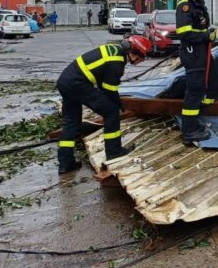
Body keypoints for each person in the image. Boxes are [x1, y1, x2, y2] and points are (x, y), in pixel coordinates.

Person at [56, 35, 151, 174]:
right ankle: (114, 151)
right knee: (111, 112)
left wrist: (113, 100)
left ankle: (65, 163)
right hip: (78, 84)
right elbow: (109, 89)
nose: (141, 61)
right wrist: (117, 105)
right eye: (142, 57)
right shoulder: (117, 61)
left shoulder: (112, 50)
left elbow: (102, 82)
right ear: (135, 53)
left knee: (71, 122)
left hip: (65, 82)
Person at [173, 0, 216, 143]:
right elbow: (184, 33)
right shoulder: (185, 6)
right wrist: (206, 36)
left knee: (200, 88)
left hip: (200, 51)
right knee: (194, 90)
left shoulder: (196, 4)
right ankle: (189, 131)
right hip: (193, 53)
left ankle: (194, 123)